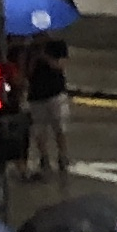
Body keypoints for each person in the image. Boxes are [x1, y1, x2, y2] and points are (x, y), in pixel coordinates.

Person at [21, 35, 73, 179]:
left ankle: (62, 154)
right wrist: (32, 57)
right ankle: (44, 156)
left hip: (56, 93)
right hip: (37, 96)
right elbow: (27, 73)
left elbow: (60, 65)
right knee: (39, 129)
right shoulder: (29, 50)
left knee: (59, 126)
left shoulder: (57, 44)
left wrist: (45, 57)